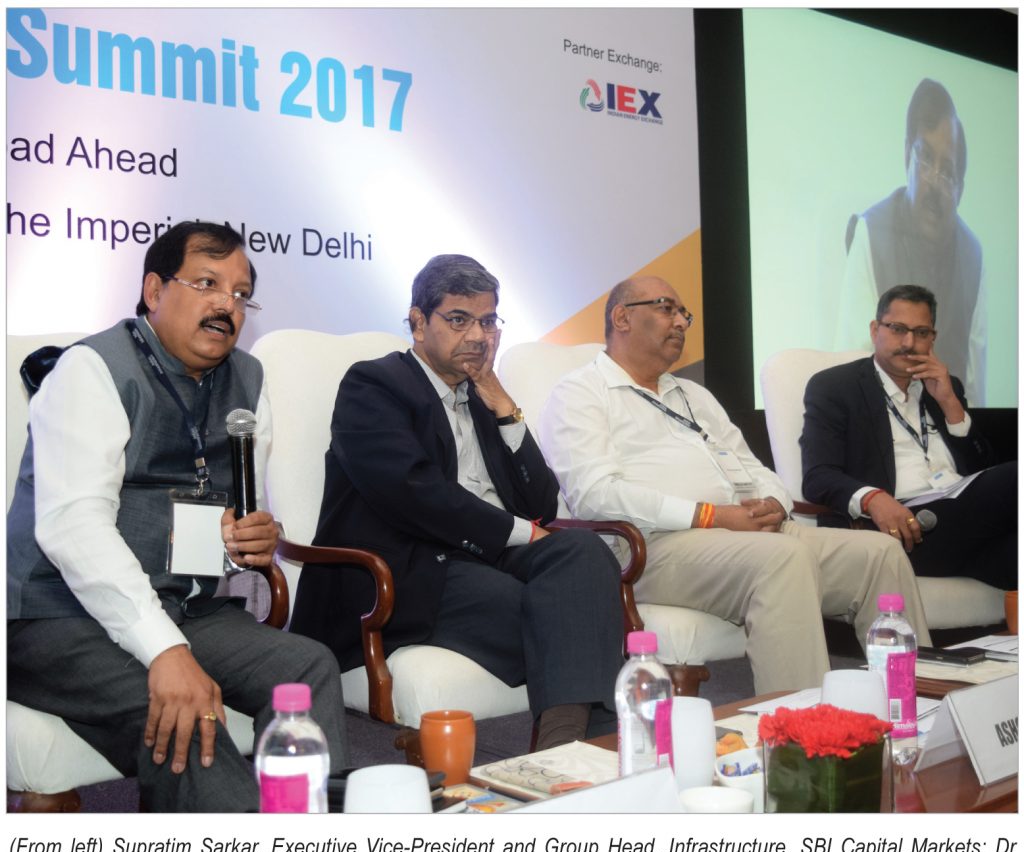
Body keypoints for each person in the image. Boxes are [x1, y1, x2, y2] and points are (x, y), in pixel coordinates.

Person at [6, 221, 347, 812]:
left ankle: (310, 837)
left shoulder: (248, 380)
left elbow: (230, 514)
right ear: (154, 290)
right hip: (59, 616)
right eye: (207, 283)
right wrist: (166, 651)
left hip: (185, 606)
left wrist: (250, 537)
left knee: (306, 666)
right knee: (186, 715)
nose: (227, 305)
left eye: (240, 294)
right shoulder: (91, 369)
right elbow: (74, 528)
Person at [290, 254, 624, 748]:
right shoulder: (374, 385)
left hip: (484, 555)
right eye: (460, 319)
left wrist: (505, 406)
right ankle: (579, 748)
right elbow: (413, 492)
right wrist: (521, 532)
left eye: (488, 321)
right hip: (408, 567)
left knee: (585, 553)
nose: (478, 336)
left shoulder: (482, 395)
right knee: (560, 611)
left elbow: (541, 503)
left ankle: (565, 751)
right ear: (418, 322)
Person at [538, 275, 931, 695]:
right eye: (666, 308)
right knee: (782, 559)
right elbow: (595, 495)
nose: (681, 322)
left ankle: (915, 706)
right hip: (652, 547)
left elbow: (754, 468)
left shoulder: (693, 395)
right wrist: (711, 516)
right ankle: (801, 727)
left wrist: (775, 504)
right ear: (622, 318)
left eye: (683, 313)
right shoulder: (580, 393)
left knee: (880, 554)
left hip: (746, 535)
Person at [802, 284, 1015, 591]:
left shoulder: (946, 386)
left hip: (963, 524)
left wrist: (950, 404)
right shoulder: (836, 387)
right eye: (898, 329)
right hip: (903, 525)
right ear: (875, 330)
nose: (909, 342)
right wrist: (873, 499)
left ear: (933, 338)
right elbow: (818, 477)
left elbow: (985, 472)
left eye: (921, 332)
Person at [836, 78, 986, 405]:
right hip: (880, 422)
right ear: (907, 155)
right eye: (925, 158)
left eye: (947, 172)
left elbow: (975, 389)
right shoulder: (871, 231)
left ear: (960, 190)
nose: (934, 182)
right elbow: (853, 359)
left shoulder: (973, 256)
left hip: (946, 424)